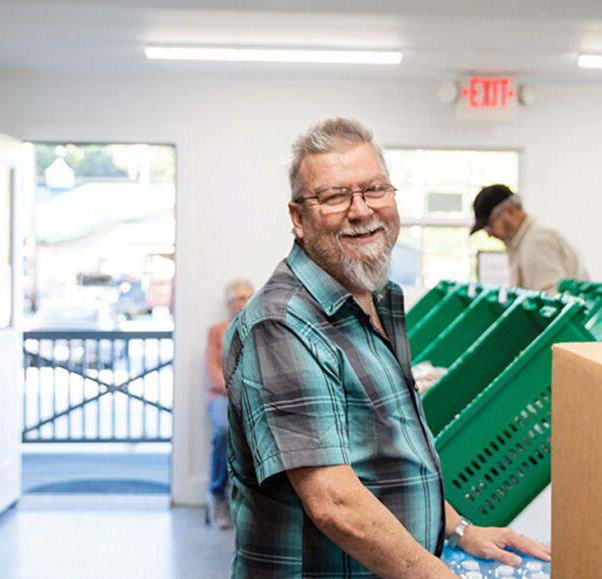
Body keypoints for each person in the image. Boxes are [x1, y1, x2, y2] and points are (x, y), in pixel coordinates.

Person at [222, 118, 551, 577]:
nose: (361, 211)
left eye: (374, 189)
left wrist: (459, 531)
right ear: (299, 218)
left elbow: (390, 457)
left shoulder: (377, 299)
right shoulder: (282, 324)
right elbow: (334, 500)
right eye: (335, 196)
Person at [470, 184, 587, 291]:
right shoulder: (522, 242)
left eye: (490, 225)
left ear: (509, 211)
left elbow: (551, 300)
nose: (489, 234)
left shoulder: (536, 241)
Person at [204, 279, 255, 529]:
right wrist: (233, 389)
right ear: (229, 303)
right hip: (222, 397)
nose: (244, 302)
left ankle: (252, 502)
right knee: (224, 431)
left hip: (251, 398)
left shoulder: (257, 328)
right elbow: (213, 369)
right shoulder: (217, 331)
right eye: (239, 298)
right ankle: (217, 495)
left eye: (248, 296)